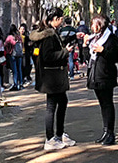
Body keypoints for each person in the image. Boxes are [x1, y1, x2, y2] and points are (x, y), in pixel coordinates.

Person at [30, 8, 81, 151]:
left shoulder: (50, 34)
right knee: (51, 106)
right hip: (51, 77)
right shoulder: (48, 35)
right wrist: (65, 52)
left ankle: (58, 134)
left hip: (53, 77)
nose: (61, 21)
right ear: (54, 19)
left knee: (61, 102)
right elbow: (48, 56)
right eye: (60, 19)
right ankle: (50, 138)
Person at [86, 15, 118, 145]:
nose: (92, 27)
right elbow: (88, 57)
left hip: (106, 75)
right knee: (102, 105)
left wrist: (103, 50)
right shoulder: (94, 38)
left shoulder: (110, 38)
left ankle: (110, 133)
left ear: (100, 25)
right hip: (96, 74)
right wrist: (85, 45)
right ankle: (106, 131)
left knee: (108, 104)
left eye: (94, 24)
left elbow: (114, 57)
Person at [6, 26, 23, 90]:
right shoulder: (19, 36)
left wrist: (8, 50)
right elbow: (22, 43)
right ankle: (21, 83)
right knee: (19, 69)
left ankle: (15, 84)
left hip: (13, 54)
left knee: (14, 70)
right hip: (19, 54)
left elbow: (5, 44)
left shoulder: (10, 37)